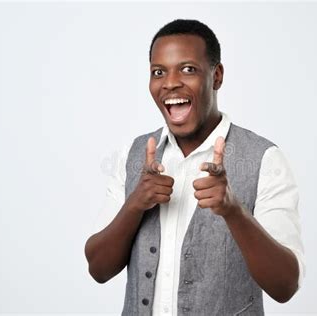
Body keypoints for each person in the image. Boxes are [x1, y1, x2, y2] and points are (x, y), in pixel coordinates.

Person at [85, 19, 305, 315]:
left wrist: (233, 210)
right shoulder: (134, 155)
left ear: (217, 76)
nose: (170, 82)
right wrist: (136, 203)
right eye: (158, 72)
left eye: (188, 69)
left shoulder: (264, 159)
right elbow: (98, 268)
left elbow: (285, 285)